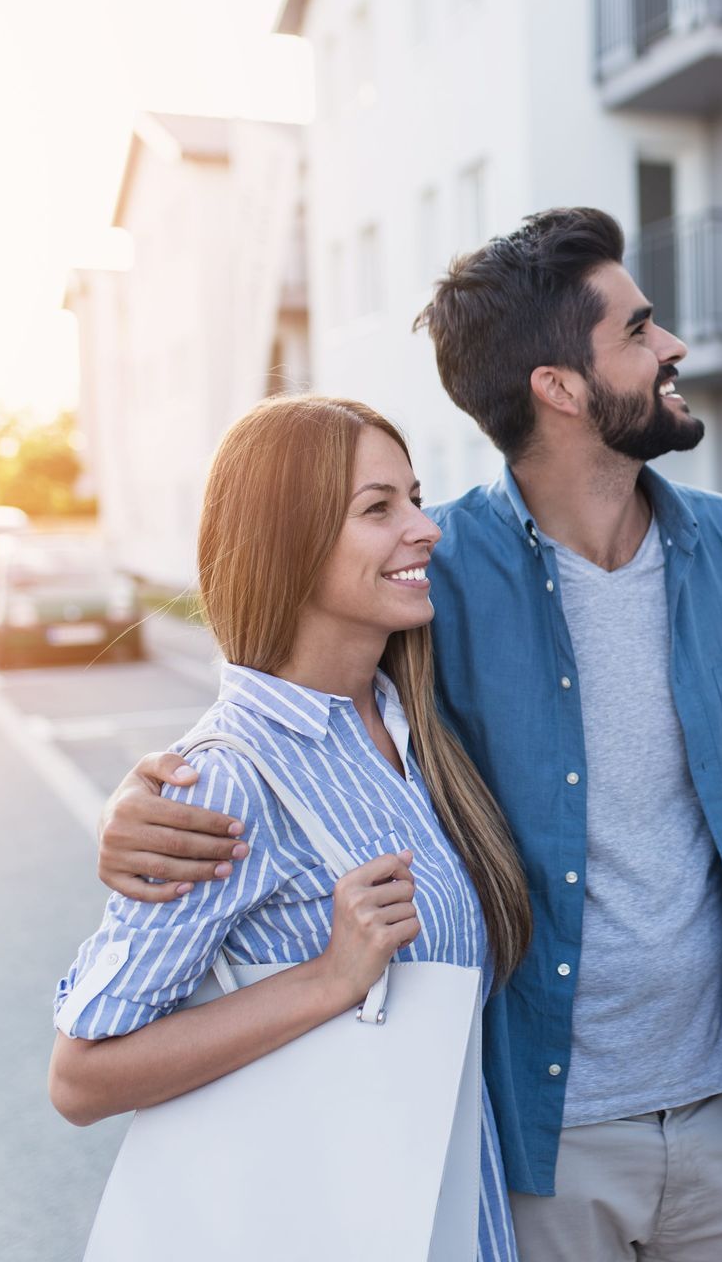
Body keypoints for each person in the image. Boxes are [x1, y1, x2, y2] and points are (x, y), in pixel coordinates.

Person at [91, 208, 722, 1261]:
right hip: (536, 1134)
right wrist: (137, 810)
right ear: (560, 388)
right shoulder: (440, 577)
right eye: (641, 328)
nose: (673, 348)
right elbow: (293, 702)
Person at [49, 396, 532, 1260]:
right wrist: (326, 981)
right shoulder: (228, 776)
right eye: (379, 508)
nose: (426, 529)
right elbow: (83, 1074)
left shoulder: (404, 729)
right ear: (290, 542)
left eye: (415, 499)